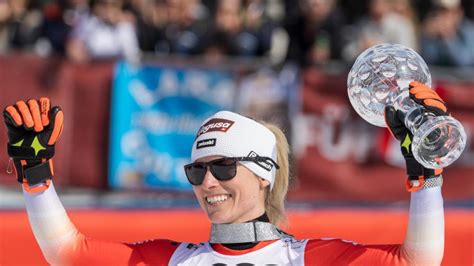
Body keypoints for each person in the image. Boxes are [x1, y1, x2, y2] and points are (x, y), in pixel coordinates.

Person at [3, 81, 446, 265]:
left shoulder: (305, 257)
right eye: (197, 171)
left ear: (264, 174)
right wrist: (36, 176)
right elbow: (68, 251)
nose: (208, 183)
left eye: (224, 167)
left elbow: (418, 261)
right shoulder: (172, 259)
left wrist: (426, 174)